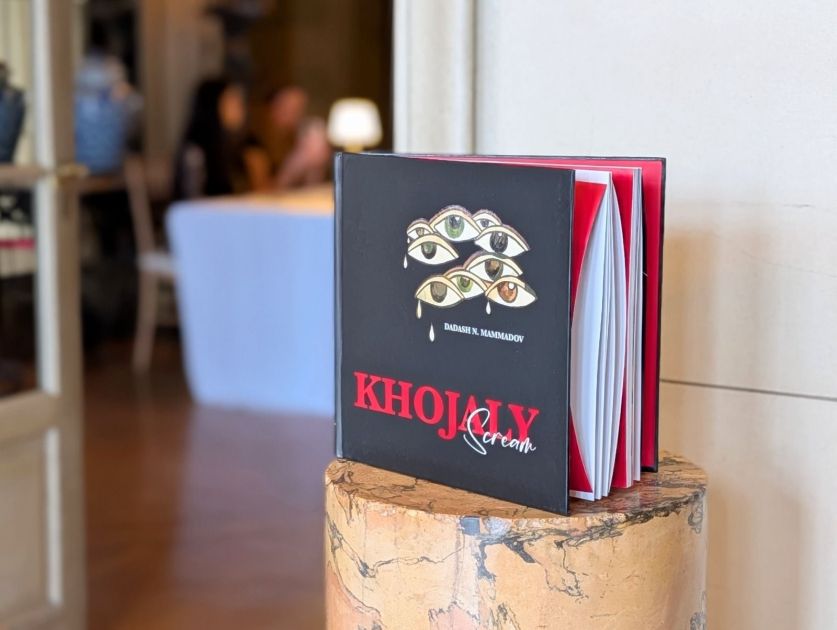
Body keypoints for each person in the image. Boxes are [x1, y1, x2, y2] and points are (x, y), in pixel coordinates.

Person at [173, 77, 270, 199]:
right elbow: (192, 202)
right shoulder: (195, 153)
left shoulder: (242, 146)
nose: (240, 108)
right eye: (232, 101)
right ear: (212, 107)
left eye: (240, 101)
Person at [261, 85, 331, 190]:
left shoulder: (307, 135)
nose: (296, 114)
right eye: (286, 108)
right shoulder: (258, 142)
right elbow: (263, 190)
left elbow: (314, 183)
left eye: (298, 109)